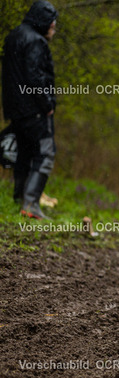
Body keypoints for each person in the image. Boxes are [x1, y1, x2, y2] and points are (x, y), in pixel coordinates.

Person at [2, 1, 58, 219]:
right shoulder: (35, 41)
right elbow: (35, 76)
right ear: (44, 22)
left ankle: (20, 199)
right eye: (52, 25)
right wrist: (47, 104)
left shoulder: (13, 36)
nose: (53, 29)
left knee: (24, 154)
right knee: (45, 153)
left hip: (15, 109)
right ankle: (31, 203)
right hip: (34, 109)